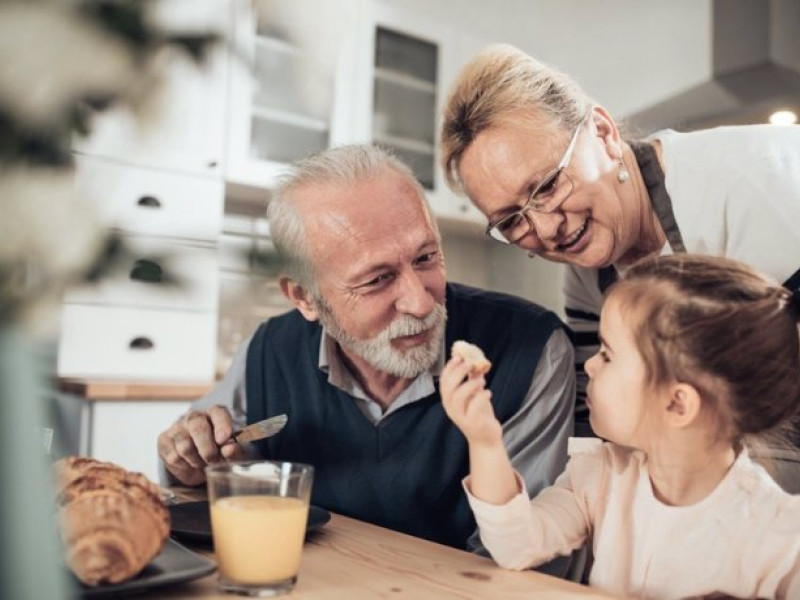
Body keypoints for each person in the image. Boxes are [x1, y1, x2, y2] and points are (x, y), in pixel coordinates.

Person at [157, 144, 576, 561]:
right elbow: (193, 481)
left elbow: (526, 564)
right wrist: (187, 459)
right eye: (377, 280)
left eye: (426, 257)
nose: (421, 303)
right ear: (304, 297)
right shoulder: (269, 350)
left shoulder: (531, 350)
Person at [439, 43, 800, 439]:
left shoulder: (756, 189)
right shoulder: (589, 277)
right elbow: (598, 414)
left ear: (603, 133)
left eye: (546, 186)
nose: (544, 230)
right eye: (510, 221)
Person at [441, 253, 800, 599]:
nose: (591, 367)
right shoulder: (599, 475)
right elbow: (516, 546)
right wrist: (485, 442)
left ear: (677, 404)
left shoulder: (779, 534)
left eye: (608, 355)